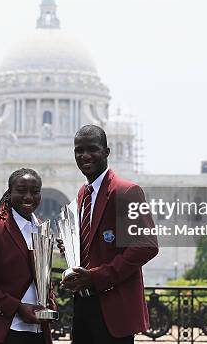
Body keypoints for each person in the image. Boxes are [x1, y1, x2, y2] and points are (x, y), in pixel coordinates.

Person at [60, 125, 159, 344]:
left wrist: (97, 277)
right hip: (83, 306)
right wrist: (69, 247)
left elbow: (147, 245)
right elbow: (92, 243)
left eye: (92, 149)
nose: (85, 156)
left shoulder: (126, 191)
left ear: (106, 152)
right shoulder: (83, 194)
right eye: (79, 150)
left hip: (114, 308)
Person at [0, 168, 54, 344]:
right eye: (21, 191)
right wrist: (17, 308)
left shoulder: (42, 229)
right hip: (7, 330)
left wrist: (50, 302)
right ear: (10, 192)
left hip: (39, 330)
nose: (29, 197)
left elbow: (43, 277)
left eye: (35, 192)